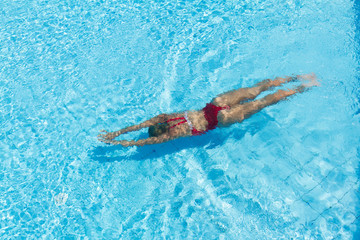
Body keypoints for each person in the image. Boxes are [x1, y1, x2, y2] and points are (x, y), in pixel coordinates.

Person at [98, 73, 319, 147]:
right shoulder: (164, 118)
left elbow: (140, 142)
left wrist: (117, 143)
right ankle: (299, 77)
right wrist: (116, 133)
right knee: (255, 90)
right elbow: (139, 127)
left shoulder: (169, 135)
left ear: (162, 132)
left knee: (264, 102)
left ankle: (305, 87)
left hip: (220, 119)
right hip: (216, 103)